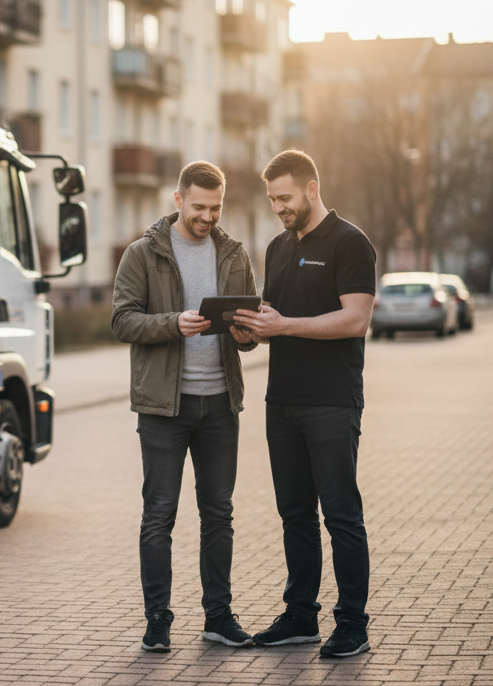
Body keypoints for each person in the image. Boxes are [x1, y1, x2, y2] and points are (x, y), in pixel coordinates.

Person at [111, 161, 258, 653]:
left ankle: (218, 616)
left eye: (216, 208)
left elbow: (248, 338)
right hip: (163, 409)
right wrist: (173, 324)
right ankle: (158, 621)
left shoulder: (234, 254)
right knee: (159, 514)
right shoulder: (142, 253)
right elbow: (123, 321)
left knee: (219, 514)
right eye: (199, 207)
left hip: (220, 406)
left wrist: (244, 334)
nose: (208, 217)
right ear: (178, 200)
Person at [234, 150, 375, 658]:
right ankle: (300, 617)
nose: (278, 207)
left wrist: (284, 325)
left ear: (312, 189)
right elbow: (276, 319)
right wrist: (249, 332)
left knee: (341, 514)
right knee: (294, 512)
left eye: (286, 197)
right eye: (272, 199)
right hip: (283, 401)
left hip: (333, 402)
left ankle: (353, 624)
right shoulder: (275, 246)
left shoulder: (350, 242)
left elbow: (355, 319)